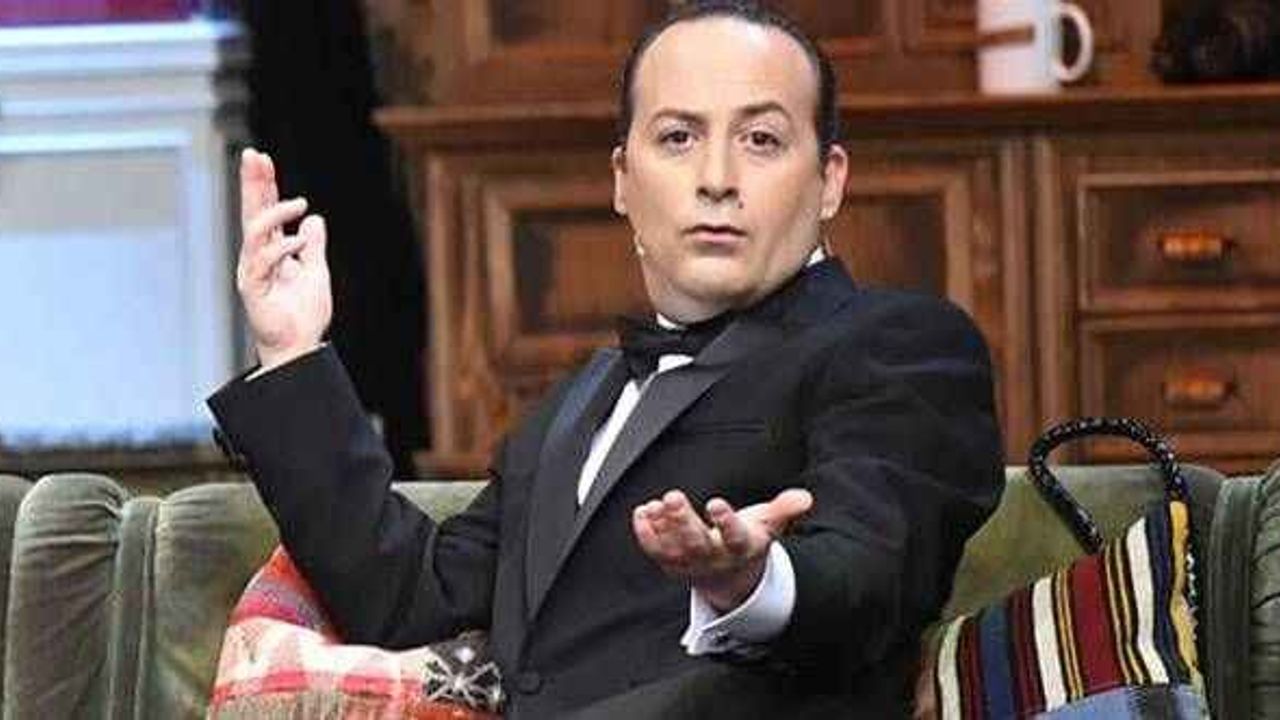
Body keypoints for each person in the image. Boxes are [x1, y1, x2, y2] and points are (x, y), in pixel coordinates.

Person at [207, 2, 1004, 717]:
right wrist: (293, 352)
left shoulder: (900, 345)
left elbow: (873, 566)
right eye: (678, 138)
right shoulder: (579, 404)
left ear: (829, 180)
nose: (716, 179)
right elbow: (412, 598)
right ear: (622, 178)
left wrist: (754, 584)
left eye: (761, 140)